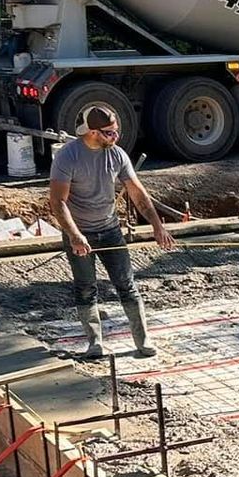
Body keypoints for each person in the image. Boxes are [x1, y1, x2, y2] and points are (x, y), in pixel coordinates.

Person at [48, 107, 175, 359]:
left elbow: (138, 193)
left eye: (116, 132)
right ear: (92, 132)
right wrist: (74, 234)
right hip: (80, 232)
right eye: (109, 133)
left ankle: (143, 339)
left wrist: (157, 226)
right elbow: (57, 202)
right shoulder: (67, 157)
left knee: (127, 285)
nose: (115, 137)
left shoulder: (117, 155)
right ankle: (95, 343)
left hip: (109, 230)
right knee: (85, 288)